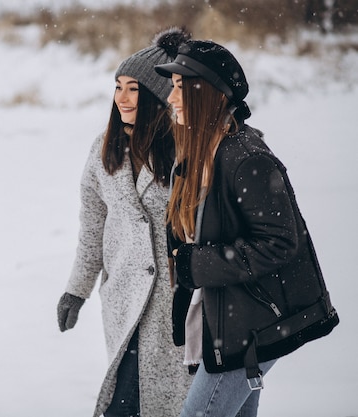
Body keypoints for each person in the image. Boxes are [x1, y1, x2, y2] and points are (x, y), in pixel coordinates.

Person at [154, 40, 339, 417]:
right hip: (229, 318)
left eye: (178, 87)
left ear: (205, 93)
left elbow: (279, 242)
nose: (170, 98)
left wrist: (198, 264)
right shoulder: (202, 151)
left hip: (253, 323)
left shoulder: (245, 158)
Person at [56, 27, 193, 417]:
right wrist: (76, 290)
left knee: (170, 403)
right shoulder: (104, 150)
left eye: (133, 88)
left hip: (176, 305)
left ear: (155, 94)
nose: (122, 98)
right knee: (126, 399)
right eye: (118, 87)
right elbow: (92, 228)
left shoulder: (185, 149)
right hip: (123, 300)